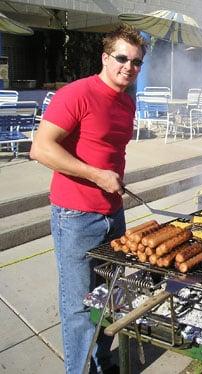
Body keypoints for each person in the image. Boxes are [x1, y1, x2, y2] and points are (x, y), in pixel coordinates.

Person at [30, 25, 147, 374]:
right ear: (105, 57)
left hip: (113, 213)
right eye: (122, 58)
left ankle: (102, 362)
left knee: (110, 299)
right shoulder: (76, 94)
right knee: (80, 307)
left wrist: (111, 184)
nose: (129, 67)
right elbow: (40, 149)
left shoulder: (127, 100)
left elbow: (111, 152)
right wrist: (97, 175)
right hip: (76, 216)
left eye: (137, 62)